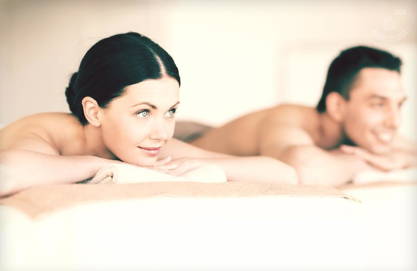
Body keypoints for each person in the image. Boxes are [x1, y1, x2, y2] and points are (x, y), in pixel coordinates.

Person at [0, 32, 297, 197]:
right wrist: (96, 165)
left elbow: (283, 173)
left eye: (170, 112)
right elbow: (7, 174)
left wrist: (189, 162)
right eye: (144, 112)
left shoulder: (151, 140)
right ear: (93, 111)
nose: (162, 133)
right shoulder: (42, 133)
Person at [189, 46, 416, 185]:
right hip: (189, 141)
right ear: (337, 106)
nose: (394, 121)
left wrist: (401, 159)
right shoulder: (288, 121)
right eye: (378, 105)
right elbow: (303, 169)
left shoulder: (365, 130)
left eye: (398, 105)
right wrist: (363, 161)